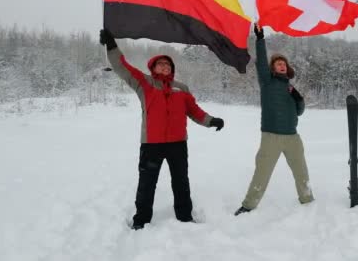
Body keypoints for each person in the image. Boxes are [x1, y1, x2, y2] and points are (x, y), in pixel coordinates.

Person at [99, 28, 225, 229]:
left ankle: (185, 216)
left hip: (178, 144)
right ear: (153, 67)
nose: (165, 66)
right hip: (152, 145)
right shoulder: (145, 84)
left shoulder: (181, 88)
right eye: (161, 63)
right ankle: (141, 220)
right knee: (147, 184)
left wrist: (211, 121)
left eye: (168, 64)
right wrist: (112, 46)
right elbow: (122, 67)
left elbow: (194, 111)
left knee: (181, 182)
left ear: (172, 68)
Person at [235, 24, 314, 216]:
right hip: (271, 136)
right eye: (278, 63)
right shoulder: (267, 82)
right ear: (272, 68)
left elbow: (299, 112)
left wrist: (299, 99)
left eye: (284, 64)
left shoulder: (290, 88)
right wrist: (260, 38)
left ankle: (307, 199)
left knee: (301, 171)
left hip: (292, 137)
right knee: (262, 172)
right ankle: (249, 205)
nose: (282, 65)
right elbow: (261, 62)